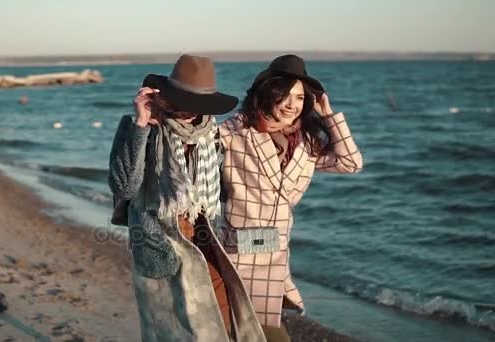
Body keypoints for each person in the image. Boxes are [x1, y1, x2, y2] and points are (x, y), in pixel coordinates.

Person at [108, 55, 266, 341]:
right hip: (158, 241)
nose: (190, 112)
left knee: (223, 318)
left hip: (203, 237)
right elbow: (124, 188)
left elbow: (221, 188)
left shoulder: (210, 135)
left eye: (199, 105)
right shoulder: (141, 129)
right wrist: (141, 125)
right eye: (184, 102)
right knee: (170, 329)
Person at [218, 54, 363, 340]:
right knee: (260, 333)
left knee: (254, 333)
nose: (291, 105)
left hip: (277, 254)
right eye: (283, 95)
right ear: (267, 94)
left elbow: (351, 163)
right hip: (239, 252)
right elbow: (197, 145)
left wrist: (328, 113)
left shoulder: (306, 143)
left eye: (299, 98)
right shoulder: (237, 131)